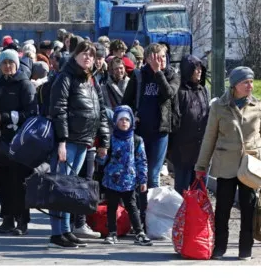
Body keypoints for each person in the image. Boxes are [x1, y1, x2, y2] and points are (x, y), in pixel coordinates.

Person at [48, 41, 110, 248]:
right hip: (69, 141)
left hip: (85, 141)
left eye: (91, 55)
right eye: (83, 53)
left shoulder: (92, 80)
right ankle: (57, 233)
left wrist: (103, 140)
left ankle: (66, 229)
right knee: (61, 188)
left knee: (71, 188)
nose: (87, 57)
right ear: (75, 55)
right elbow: (59, 109)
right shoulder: (65, 77)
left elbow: (100, 111)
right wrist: (62, 141)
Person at [195, 66, 260, 261]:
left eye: (251, 81)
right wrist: (201, 166)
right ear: (234, 85)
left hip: (250, 166)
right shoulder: (218, 106)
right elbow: (209, 137)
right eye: (245, 82)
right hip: (225, 164)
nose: (250, 86)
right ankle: (219, 247)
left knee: (249, 208)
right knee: (222, 209)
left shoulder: (257, 106)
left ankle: (245, 249)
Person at [122, 43, 180, 225]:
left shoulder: (171, 75)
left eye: (163, 57)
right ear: (147, 58)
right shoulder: (139, 76)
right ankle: (137, 215)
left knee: (153, 175)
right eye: (157, 58)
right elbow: (126, 103)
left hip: (160, 132)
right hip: (140, 133)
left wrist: (158, 73)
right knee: (139, 173)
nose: (161, 61)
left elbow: (169, 93)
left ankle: (150, 217)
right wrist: (132, 117)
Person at [0, 49, 37, 236]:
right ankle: (7, 218)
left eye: (11, 63)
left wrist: (6, 117)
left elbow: (32, 114)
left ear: (17, 64)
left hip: (21, 142)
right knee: (3, 181)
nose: (7, 66)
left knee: (19, 183)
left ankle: (22, 220)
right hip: (2, 140)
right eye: (4, 63)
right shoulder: (0, 83)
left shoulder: (25, 84)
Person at [101, 106, 152, 246]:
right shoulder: (110, 139)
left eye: (127, 120)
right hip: (111, 180)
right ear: (115, 122)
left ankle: (139, 232)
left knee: (132, 206)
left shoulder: (136, 140)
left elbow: (142, 161)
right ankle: (112, 232)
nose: (124, 122)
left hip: (129, 181)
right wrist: (101, 156)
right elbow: (102, 160)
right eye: (121, 119)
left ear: (131, 122)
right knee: (111, 206)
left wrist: (143, 180)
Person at [170, 55, 209, 195]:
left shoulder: (203, 90)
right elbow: (174, 120)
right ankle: (181, 216)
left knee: (199, 190)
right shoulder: (179, 92)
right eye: (195, 68)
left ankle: (197, 217)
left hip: (200, 150)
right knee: (182, 190)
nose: (199, 71)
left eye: (200, 68)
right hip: (182, 150)